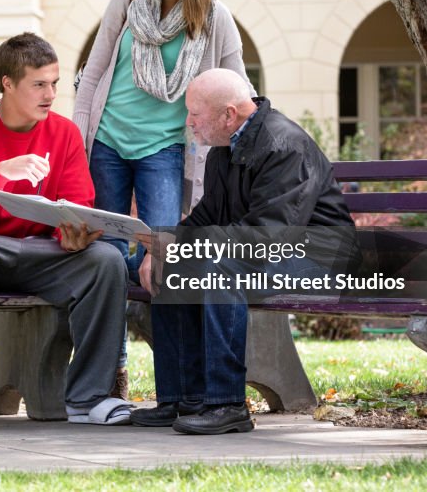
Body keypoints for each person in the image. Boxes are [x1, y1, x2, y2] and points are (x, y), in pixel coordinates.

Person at [72, 0, 256, 395]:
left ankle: (173, 390)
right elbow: (91, 77)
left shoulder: (216, 20)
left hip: (165, 150)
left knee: (165, 262)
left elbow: (240, 91)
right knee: (105, 258)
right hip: (107, 143)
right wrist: (77, 139)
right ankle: (112, 372)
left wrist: (250, 147)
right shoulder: (126, 4)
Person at [0, 32, 131, 432]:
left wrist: (73, 234)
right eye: (39, 84)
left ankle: (88, 398)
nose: (50, 94)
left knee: (106, 261)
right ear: (8, 83)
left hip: (39, 253)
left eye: (54, 83)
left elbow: (77, 205)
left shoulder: (64, 133)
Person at [133, 68, 359, 434]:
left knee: (221, 269)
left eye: (195, 112)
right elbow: (209, 213)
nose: (188, 122)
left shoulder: (284, 145)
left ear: (228, 114)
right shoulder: (226, 146)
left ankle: (227, 404)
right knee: (172, 267)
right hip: (266, 252)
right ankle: (181, 398)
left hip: (319, 258)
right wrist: (164, 245)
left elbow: (270, 235)